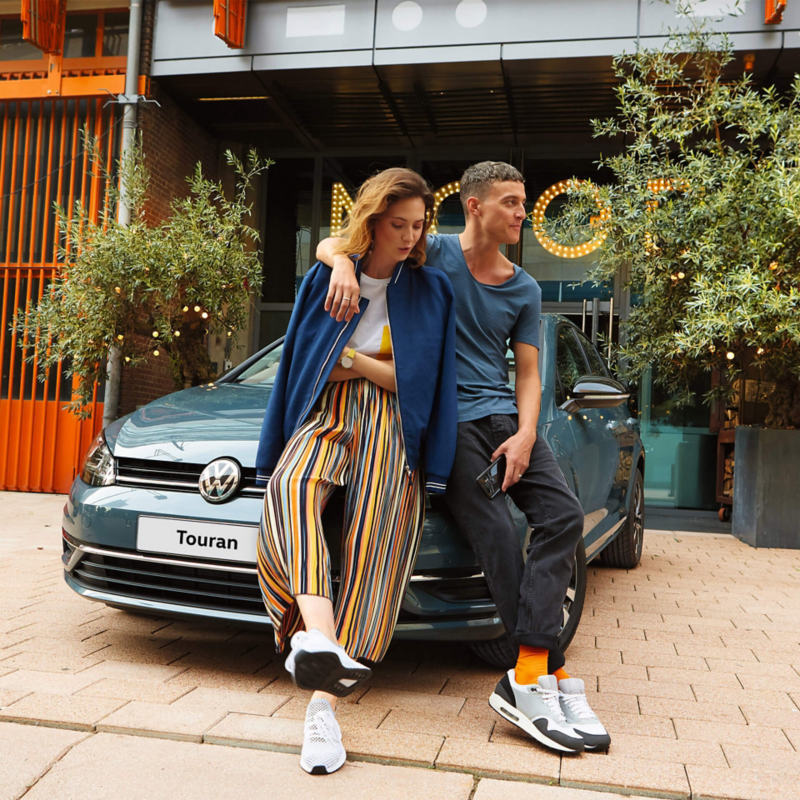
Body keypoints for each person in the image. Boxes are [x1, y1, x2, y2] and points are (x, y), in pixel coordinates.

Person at [316, 161, 610, 755]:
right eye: (511, 202)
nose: (523, 213)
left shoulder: (524, 287)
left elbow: (527, 373)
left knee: (561, 517)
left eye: (524, 202)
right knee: (498, 530)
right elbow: (343, 240)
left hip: (506, 418)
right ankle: (542, 674)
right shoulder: (433, 253)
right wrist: (343, 264)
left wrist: (527, 434)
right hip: (451, 421)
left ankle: (529, 673)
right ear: (474, 206)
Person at [255, 167, 457, 775]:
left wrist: (355, 361)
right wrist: (339, 263)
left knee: (376, 547)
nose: (409, 235)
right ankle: (317, 636)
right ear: (371, 219)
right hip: (327, 413)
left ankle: (322, 710)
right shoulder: (326, 274)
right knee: (290, 487)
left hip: (394, 423)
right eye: (398, 224)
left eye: (418, 225)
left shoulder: (432, 290)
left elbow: (420, 381)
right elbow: (303, 361)